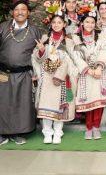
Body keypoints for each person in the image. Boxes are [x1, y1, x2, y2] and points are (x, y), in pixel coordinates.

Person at [0, 0, 42, 145]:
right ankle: (3, 133)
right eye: (17, 9)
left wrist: (36, 72)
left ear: (28, 12)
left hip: (24, 74)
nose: (20, 12)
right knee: (3, 103)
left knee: (21, 104)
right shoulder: (3, 28)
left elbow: (39, 55)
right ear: (12, 12)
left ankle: (18, 133)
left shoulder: (35, 31)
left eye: (23, 9)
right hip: (3, 73)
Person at [32, 12, 77, 144]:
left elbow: (73, 60)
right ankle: (47, 132)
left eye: (59, 22)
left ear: (64, 24)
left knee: (60, 106)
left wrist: (61, 72)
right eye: (54, 23)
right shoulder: (45, 39)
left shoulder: (68, 41)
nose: (56, 25)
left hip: (62, 78)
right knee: (46, 104)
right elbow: (37, 59)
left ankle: (58, 132)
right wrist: (41, 50)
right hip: (46, 77)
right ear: (50, 25)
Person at [72, 8, 106, 140]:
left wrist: (99, 68)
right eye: (87, 22)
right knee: (89, 101)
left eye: (92, 22)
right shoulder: (76, 38)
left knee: (98, 102)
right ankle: (88, 128)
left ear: (96, 24)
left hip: (100, 73)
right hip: (86, 74)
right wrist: (89, 70)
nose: (90, 24)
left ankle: (96, 127)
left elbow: (105, 51)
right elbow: (76, 56)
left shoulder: (102, 36)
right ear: (82, 23)